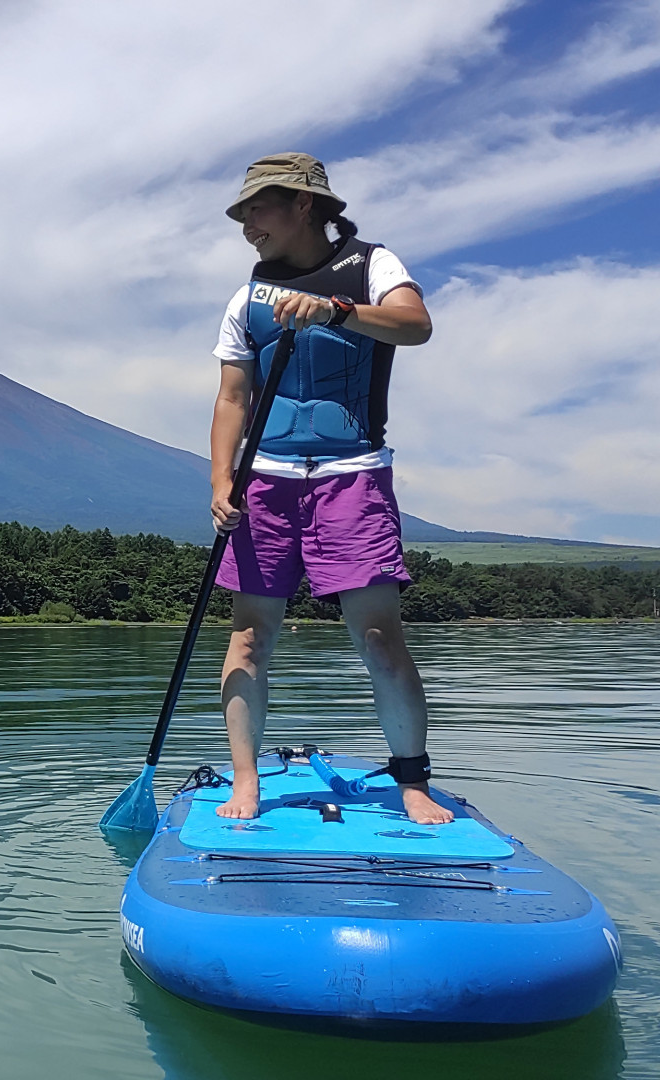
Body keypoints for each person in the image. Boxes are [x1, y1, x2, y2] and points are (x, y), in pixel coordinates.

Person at [207, 152, 452, 826]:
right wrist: (221, 479)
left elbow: (416, 325)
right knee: (249, 637)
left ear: (304, 204)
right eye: (242, 213)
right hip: (266, 482)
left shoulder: (373, 266)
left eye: (258, 208)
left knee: (377, 636)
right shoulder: (246, 299)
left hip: (353, 474)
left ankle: (411, 781)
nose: (247, 224)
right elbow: (232, 398)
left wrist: (336, 311)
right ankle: (246, 782)